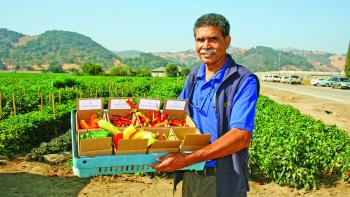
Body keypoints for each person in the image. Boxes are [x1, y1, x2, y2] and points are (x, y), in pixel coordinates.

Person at [150, 13, 259, 197]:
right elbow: (177, 115)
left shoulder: (243, 81)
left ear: (227, 41)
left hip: (220, 177)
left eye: (213, 39)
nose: (205, 46)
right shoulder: (194, 76)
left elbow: (241, 136)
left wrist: (187, 159)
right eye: (200, 40)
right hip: (191, 174)